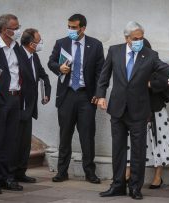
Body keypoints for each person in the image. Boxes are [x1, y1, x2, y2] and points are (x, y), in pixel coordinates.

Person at [97, 21, 169, 200]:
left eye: (141, 38)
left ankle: (135, 187)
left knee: (138, 151)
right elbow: (104, 75)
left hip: (139, 111)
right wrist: (101, 95)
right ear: (126, 38)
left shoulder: (149, 54)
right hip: (118, 109)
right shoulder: (114, 50)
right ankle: (118, 185)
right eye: (135, 38)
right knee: (118, 150)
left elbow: (161, 66)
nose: (139, 41)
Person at [48, 13, 104, 184]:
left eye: (74, 27)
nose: (71, 30)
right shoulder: (61, 43)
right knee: (65, 135)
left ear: (83, 28)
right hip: (67, 96)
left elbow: (100, 72)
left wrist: (98, 94)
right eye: (69, 27)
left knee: (87, 136)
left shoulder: (95, 45)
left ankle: (89, 172)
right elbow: (51, 62)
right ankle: (62, 171)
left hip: (86, 96)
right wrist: (59, 68)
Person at [0, 14, 24, 194]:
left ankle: (6, 177)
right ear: (4, 30)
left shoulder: (17, 47)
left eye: (18, 27)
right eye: (15, 28)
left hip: (15, 98)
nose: (17, 31)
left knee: (11, 140)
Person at [126, 71, 169, 189]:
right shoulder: (131, 65)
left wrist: (148, 83)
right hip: (136, 110)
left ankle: (158, 177)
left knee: (159, 143)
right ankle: (128, 173)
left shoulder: (154, 62)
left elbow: (165, 82)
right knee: (131, 142)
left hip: (156, 110)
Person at [15, 28, 51, 183]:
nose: (41, 43)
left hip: (29, 108)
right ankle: (10, 174)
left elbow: (43, 75)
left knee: (24, 144)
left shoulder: (34, 56)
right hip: (17, 106)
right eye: (39, 41)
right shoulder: (17, 55)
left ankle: (21, 172)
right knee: (15, 142)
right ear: (31, 44)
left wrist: (46, 92)